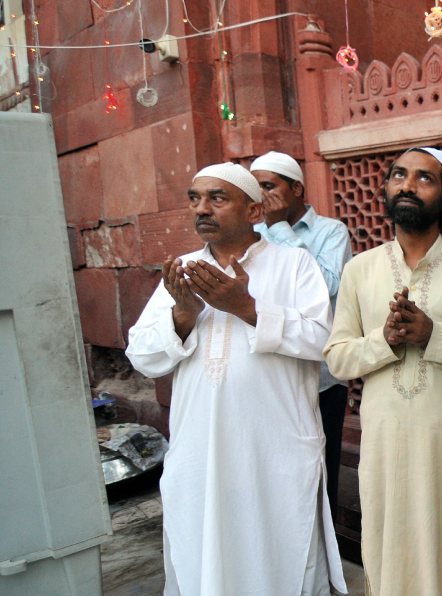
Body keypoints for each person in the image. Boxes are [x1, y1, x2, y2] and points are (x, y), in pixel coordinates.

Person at [126, 163, 346, 595]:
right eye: (194, 198)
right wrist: (183, 315)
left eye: (217, 198)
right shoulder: (182, 272)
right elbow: (142, 355)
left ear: (253, 210)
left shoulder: (293, 265)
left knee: (279, 555)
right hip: (200, 452)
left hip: (274, 451)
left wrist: (247, 308)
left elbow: (324, 342)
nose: (202, 209)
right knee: (204, 559)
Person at [323, 147, 442, 595]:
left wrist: (434, 335)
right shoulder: (360, 270)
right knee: (391, 558)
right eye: (399, 175)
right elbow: (338, 357)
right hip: (386, 452)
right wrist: (387, 340)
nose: (408, 185)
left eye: (424, 178)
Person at [250, 151, 353, 513]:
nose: (261, 195)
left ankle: (324, 561)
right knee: (276, 471)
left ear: (296, 189)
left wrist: (279, 228)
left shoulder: (331, 232)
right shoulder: (253, 236)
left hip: (321, 376)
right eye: (256, 187)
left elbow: (324, 286)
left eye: (268, 186)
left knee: (320, 469)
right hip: (269, 371)